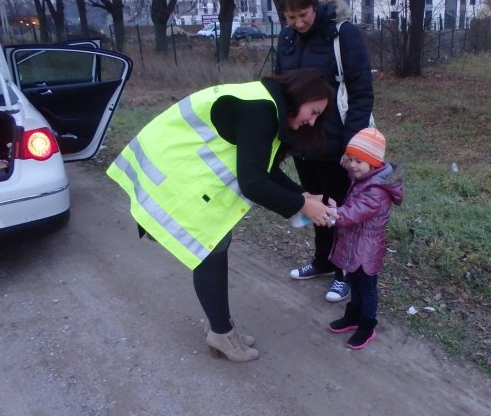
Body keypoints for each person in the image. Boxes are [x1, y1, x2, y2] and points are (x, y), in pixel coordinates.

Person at [107, 68, 336, 362]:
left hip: (183, 171)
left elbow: (262, 166)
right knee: (211, 249)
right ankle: (221, 333)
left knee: (215, 246)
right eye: (314, 111)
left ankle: (221, 327)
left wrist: (302, 195)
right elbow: (253, 182)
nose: (312, 121)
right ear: (301, 94)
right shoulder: (261, 110)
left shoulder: (265, 103)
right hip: (176, 173)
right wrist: (301, 205)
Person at [275, 0, 374, 302]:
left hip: (336, 142)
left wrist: (352, 145)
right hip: (303, 140)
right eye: (290, 18)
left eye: (303, 15)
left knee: (341, 209)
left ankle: (345, 272)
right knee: (316, 206)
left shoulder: (343, 34)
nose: (298, 23)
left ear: (314, 7)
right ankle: (323, 262)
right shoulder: (287, 38)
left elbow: (361, 93)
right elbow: (282, 88)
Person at [327, 128, 404, 350]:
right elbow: (351, 174)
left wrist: (334, 214)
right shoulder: (365, 177)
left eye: (358, 161)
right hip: (354, 245)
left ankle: (367, 325)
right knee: (354, 282)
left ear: (373, 163)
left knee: (366, 288)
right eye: (350, 160)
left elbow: (354, 212)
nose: (352, 165)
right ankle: (352, 317)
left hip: (367, 249)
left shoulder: (376, 191)